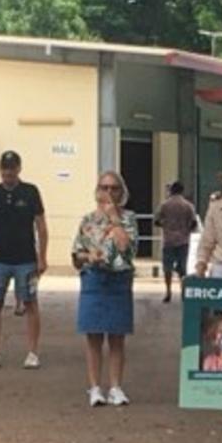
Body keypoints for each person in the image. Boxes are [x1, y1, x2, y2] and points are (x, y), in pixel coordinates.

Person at [0, 150, 48, 369]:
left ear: (19, 169)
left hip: (26, 259)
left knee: (31, 303)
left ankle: (33, 352)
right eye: (5, 169)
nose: (8, 174)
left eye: (12, 169)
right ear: (0, 170)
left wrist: (42, 257)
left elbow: (41, 226)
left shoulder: (30, 192)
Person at [71, 171, 139, 407]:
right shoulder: (87, 220)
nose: (108, 193)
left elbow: (125, 247)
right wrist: (87, 257)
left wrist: (113, 218)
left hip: (119, 281)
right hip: (94, 279)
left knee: (117, 337)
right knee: (93, 336)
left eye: (114, 188)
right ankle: (94, 387)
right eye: (104, 187)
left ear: (122, 193)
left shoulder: (129, 219)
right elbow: (76, 255)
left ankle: (116, 387)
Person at [154, 180, 197, 302]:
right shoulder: (188, 206)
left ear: (171, 190)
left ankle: (168, 291)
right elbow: (193, 223)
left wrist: (166, 225)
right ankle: (184, 292)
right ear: (182, 191)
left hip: (168, 240)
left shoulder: (165, 205)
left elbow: (156, 220)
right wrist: (186, 229)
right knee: (182, 268)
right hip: (183, 240)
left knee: (167, 268)